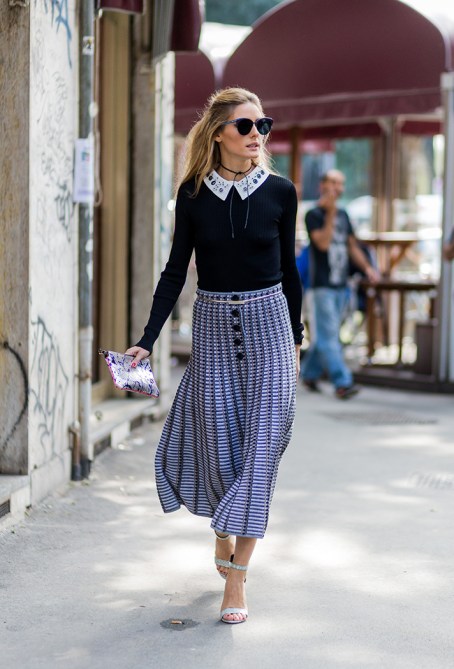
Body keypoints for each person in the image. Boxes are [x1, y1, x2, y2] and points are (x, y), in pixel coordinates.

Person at [126, 88, 303, 625]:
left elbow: (290, 273)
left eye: (263, 126)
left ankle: (237, 579)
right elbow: (174, 271)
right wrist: (147, 339)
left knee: (262, 450)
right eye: (245, 126)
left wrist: (296, 341)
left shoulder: (281, 192)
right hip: (213, 329)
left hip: (271, 328)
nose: (256, 135)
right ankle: (224, 531)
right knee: (221, 450)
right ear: (219, 133)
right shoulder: (194, 196)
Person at [300, 170, 379, 399]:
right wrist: (331, 212)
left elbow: (352, 246)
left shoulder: (344, 214)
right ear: (322, 186)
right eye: (333, 182)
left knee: (328, 334)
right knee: (328, 336)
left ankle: (309, 373)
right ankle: (342, 382)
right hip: (321, 285)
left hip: (341, 285)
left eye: (340, 183)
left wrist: (367, 268)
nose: (337, 188)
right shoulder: (313, 214)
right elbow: (323, 244)